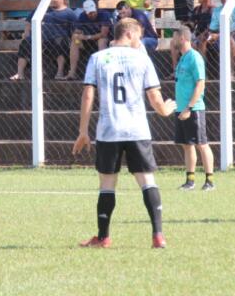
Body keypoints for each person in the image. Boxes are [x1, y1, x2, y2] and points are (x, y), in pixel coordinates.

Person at [73, 18, 177, 249]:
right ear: (129, 34)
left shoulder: (97, 58)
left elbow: (88, 95)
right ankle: (158, 236)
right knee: (147, 181)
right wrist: (165, 110)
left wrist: (83, 131)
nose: (139, 41)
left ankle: (103, 237)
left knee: (107, 184)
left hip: (109, 130)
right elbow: (154, 97)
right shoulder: (142, 58)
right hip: (137, 129)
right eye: (138, 36)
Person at [173, 25, 214, 191]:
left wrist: (189, 107)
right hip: (181, 109)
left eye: (174, 37)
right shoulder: (182, 58)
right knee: (186, 144)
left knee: (201, 143)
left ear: (182, 38)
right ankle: (190, 180)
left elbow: (200, 83)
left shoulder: (194, 57)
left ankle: (210, 180)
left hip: (193, 109)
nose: (172, 40)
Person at [9, 0, 77, 81]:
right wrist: (27, 33)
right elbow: (29, 23)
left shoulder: (69, 13)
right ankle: (20, 73)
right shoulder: (42, 9)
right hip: (40, 38)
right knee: (26, 42)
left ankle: (60, 72)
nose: (52, 0)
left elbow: (76, 29)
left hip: (59, 39)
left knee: (60, 42)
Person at [63, 0, 111, 80]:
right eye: (89, 12)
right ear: (85, 11)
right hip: (87, 41)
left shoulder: (104, 14)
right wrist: (78, 36)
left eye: (93, 11)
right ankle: (72, 73)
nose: (92, 14)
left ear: (95, 8)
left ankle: (101, 71)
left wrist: (87, 37)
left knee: (101, 41)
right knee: (75, 39)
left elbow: (104, 34)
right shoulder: (82, 16)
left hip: (102, 40)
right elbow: (77, 30)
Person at [170, 0, 214, 75]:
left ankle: (201, 71)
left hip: (209, 35)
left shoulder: (213, 10)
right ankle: (176, 70)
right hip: (195, 35)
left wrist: (201, 34)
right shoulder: (197, 9)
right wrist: (183, 26)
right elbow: (191, 24)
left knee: (202, 40)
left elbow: (213, 26)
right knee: (173, 42)